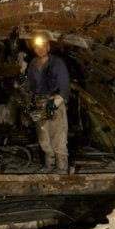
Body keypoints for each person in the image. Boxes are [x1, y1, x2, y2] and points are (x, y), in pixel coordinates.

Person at [25, 32, 70, 173]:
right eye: (37, 47)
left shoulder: (57, 63)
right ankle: (49, 165)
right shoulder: (33, 64)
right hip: (39, 103)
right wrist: (30, 102)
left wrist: (54, 103)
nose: (40, 49)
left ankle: (61, 168)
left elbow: (64, 86)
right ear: (34, 49)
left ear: (48, 47)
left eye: (43, 46)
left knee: (58, 136)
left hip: (55, 102)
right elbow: (30, 86)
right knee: (43, 138)